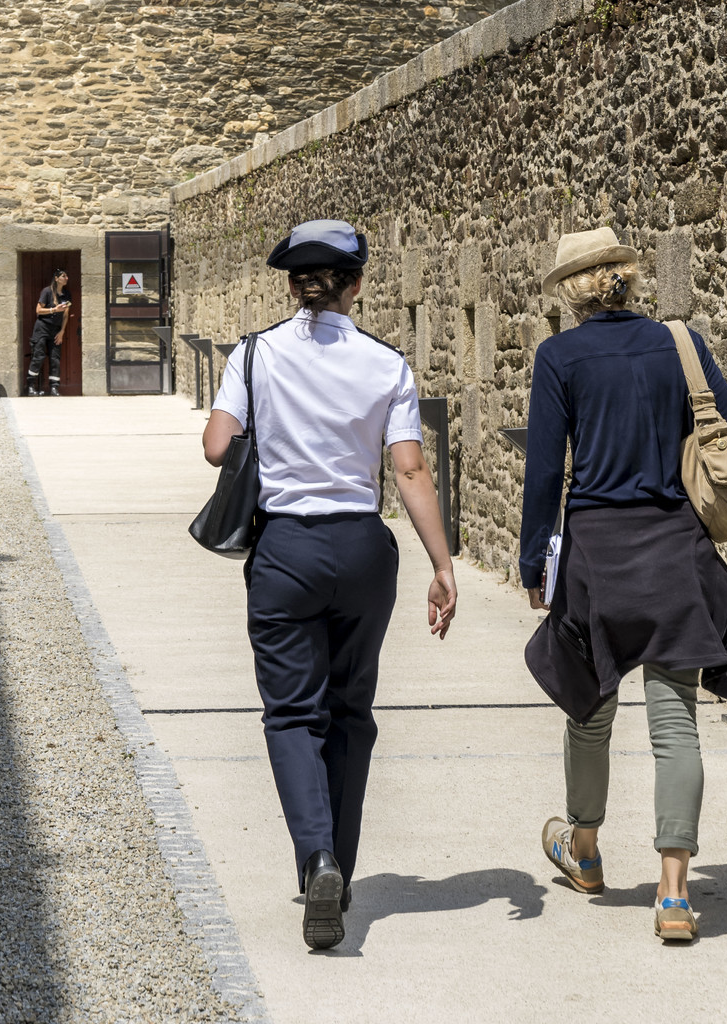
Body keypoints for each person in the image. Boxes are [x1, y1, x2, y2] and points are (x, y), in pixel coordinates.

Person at [520, 225, 727, 945]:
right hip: (673, 551)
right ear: (625, 280)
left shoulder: (559, 357)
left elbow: (544, 470)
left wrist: (533, 562)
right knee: (675, 724)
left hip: (595, 559)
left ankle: (584, 852)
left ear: (572, 292)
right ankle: (673, 896)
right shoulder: (681, 344)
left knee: (589, 708)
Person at [203, 219, 457, 954]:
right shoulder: (387, 364)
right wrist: (442, 565)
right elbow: (409, 470)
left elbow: (217, 446)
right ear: (357, 285)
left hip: (286, 548)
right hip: (362, 547)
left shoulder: (253, 354)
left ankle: (315, 857)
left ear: (293, 285)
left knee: (292, 714)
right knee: (351, 711)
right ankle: (338, 872)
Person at [26, 269, 71, 395]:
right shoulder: (47, 291)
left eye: (67, 276)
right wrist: (54, 310)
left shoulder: (66, 294)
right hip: (42, 328)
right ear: (56, 278)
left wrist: (62, 331)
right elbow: (38, 310)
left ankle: (54, 388)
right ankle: (30, 387)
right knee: (38, 356)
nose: (66, 278)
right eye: (63, 276)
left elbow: (66, 315)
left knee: (55, 358)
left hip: (56, 330)